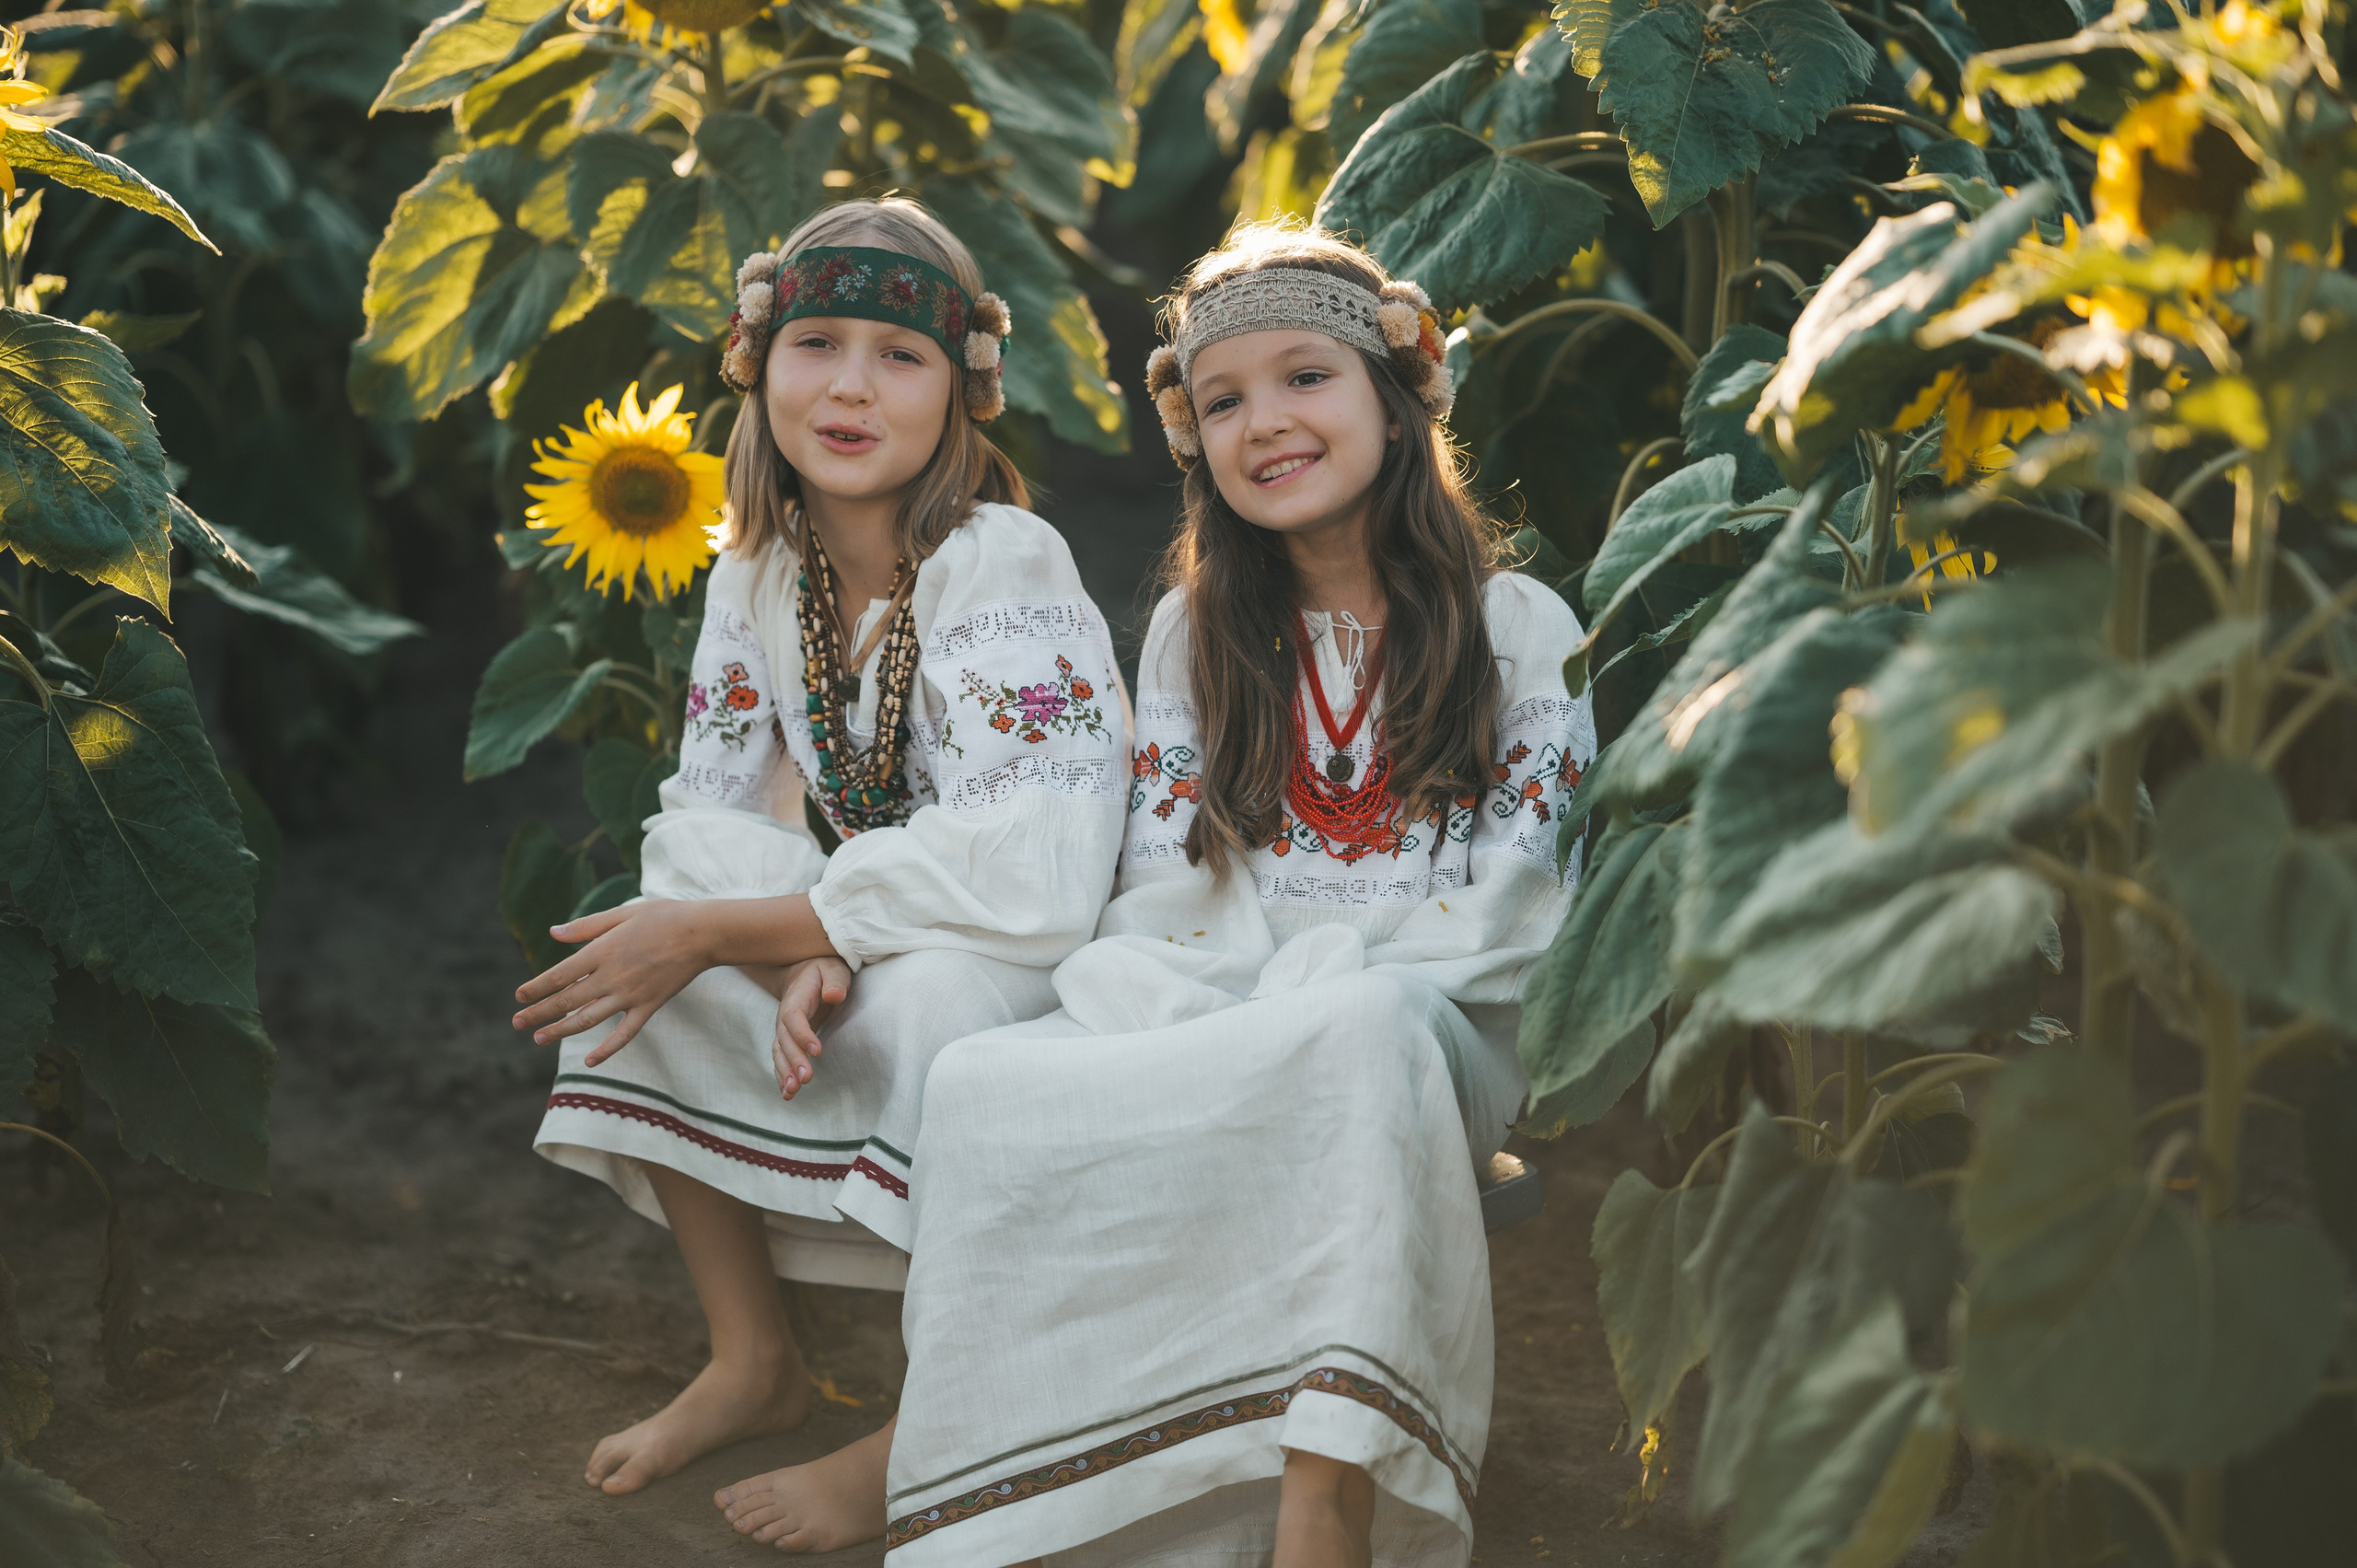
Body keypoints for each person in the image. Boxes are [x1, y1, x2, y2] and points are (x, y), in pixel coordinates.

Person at [865, 224, 1596, 1568]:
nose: (1264, 423)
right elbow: (1164, 877)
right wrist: (1242, 997)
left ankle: (1327, 1493)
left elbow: (1521, 905)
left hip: (1427, 1021)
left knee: (1353, 1039)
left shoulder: (1519, 625)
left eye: (1304, 378)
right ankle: (1066, 1481)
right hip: (1222, 986)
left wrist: (1323, 992)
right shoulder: (1198, 633)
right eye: (1221, 401)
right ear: (1192, 437)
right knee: (984, 1080)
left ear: (1397, 391)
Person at [510, 197, 1128, 1506]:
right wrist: (782, 931)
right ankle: (753, 1359)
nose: (851, 386)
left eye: (900, 356)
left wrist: (795, 931)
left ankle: (938, 1424)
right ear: (756, 361)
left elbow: (1038, 861)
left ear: (963, 395)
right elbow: (712, 807)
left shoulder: (999, 563)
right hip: (855, 926)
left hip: (1022, 952)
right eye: (818, 343)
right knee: (652, 932)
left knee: (943, 1014)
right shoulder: (761, 568)